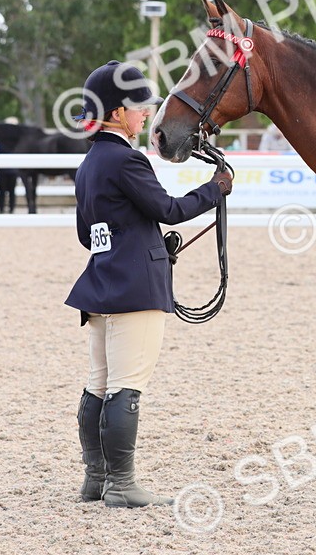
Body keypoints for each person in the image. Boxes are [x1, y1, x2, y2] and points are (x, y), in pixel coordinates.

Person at [65, 60, 233, 508]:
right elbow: (170, 209)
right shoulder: (127, 159)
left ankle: (95, 480)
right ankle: (122, 484)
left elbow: (88, 234)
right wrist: (215, 189)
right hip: (135, 288)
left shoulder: (90, 163)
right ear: (118, 113)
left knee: (98, 383)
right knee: (126, 384)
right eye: (140, 108)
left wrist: (144, 243)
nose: (146, 116)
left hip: (101, 283)